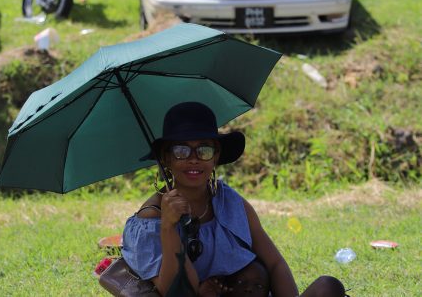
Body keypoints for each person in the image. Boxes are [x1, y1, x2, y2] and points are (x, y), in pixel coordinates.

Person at [121, 102, 347, 297]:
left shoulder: (228, 201)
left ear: (216, 156)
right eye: (181, 151)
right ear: (166, 158)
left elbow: (275, 264)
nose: (194, 160)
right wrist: (169, 228)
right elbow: (174, 291)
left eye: (204, 150)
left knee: (328, 286)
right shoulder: (150, 220)